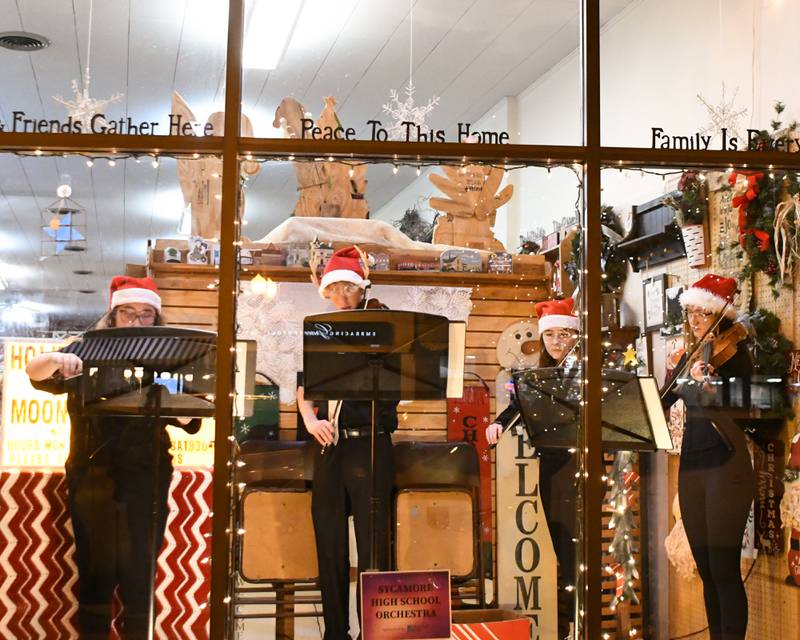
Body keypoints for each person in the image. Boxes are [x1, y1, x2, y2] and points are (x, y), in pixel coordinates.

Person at [26, 276, 201, 640]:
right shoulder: (85, 349)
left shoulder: (165, 360)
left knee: (140, 575)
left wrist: (184, 389)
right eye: (128, 313)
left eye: (145, 314)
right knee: (95, 572)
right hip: (92, 476)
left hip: (148, 477)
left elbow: (189, 419)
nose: (137, 321)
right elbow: (35, 373)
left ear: (156, 319)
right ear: (113, 315)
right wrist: (56, 358)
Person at [296, 246, 398, 640]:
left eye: (349, 289)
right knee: (330, 543)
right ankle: (335, 633)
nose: (342, 297)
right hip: (331, 447)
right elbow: (305, 384)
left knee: (374, 548)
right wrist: (309, 419)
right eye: (335, 289)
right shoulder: (320, 329)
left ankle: (373, 632)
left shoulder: (383, 330)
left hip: (371, 444)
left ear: (362, 291)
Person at [661, 274, 754, 640]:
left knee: (723, 567)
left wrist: (715, 385)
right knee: (705, 566)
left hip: (726, 466)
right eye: (691, 313)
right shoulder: (691, 355)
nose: (695, 320)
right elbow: (664, 399)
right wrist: (678, 373)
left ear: (720, 314)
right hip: (693, 466)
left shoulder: (735, 354)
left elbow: (755, 405)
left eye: (703, 313)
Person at [485, 297, 579, 637]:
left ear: (575, 336)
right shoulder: (535, 375)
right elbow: (516, 404)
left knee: (574, 549)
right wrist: (497, 423)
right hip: (551, 465)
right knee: (560, 543)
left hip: (577, 465)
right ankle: (571, 623)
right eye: (550, 335)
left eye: (564, 334)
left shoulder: (583, 372)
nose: (556, 342)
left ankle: (579, 623)